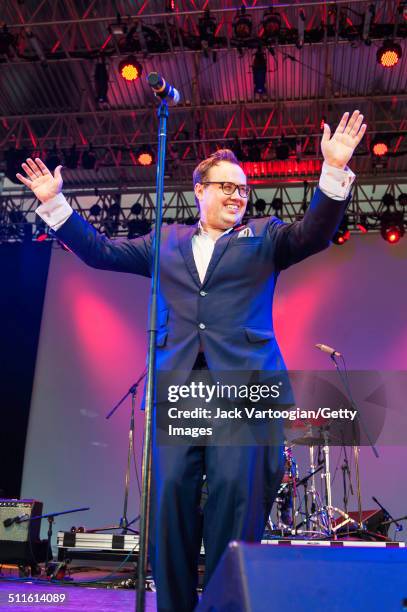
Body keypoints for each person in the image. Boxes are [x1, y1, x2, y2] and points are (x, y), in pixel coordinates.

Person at [17, 110, 366, 612]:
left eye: (243, 190)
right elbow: (101, 253)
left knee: (235, 502)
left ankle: (225, 606)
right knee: (171, 503)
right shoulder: (167, 240)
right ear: (198, 190)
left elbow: (313, 232)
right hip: (182, 388)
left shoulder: (264, 236)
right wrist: (55, 205)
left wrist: (332, 172)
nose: (236, 196)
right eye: (226, 186)